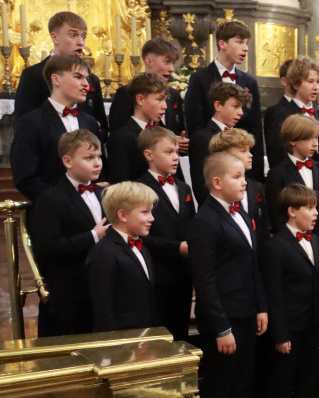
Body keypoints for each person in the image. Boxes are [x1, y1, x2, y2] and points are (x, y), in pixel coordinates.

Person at [188, 151, 274, 398]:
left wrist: (261, 306)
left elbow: (251, 266)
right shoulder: (205, 221)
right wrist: (222, 327)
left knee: (242, 386)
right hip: (223, 322)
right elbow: (205, 281)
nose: (245, 182)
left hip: (246, 314)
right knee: (220, 392)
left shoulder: (240, 213)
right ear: (217, 182)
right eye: (238, 177)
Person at [261, 183, 319, 398]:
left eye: (316, 208)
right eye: (310, 208)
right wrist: (280, 335)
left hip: (313, 323)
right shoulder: (275, 246)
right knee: (282, 382)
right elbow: (274, 294)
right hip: (289, 327)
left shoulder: (315, 240)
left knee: (310, 378)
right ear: (292, 211)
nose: (316, 214)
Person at [29, 130, 107, 337]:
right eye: (88, 158)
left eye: (99, 156)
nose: (97, 163)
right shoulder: (51, 200)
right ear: (67, 161)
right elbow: (48, 247)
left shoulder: (102, 193)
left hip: (100, 286)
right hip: (70, 292)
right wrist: (93, 236)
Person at [12, 55, 103, 201]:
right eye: (78, 77)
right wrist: (64, 200)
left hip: (90, 210)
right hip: (51, 212)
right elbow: (25, 178)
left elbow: (99, 165)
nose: (86, 84)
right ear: (56, 79)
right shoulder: (31, 122)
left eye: (87, 78)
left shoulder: (90, 122)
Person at [136, 126, 197, 342]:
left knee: (180, 331)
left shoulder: (183, 187)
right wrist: (176, 248)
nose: (175, 158)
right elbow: (138, 235)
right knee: (160, 332)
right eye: (168, 152)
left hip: (183, 273)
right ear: (149, 155)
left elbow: (190, 223)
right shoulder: (139, 188)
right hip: (156, 271)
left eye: (177, 153)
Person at [184, 21, 265, 179]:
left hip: (245, 165)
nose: (246, 48)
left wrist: (258, 177)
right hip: (213, 162)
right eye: (239, 42)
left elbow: (255, 129)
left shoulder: (249, 82)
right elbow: (195, 125)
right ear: (222, 44)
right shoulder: (200, 79)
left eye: (247, 43)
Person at [14, 12, 107, 135]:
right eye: (73, 35)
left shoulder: (92, 79)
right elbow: (24, 125)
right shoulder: (33, 75)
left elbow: (102, 125)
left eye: (83, 37)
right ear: (55, 37)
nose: (81, 43)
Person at [86, 182, 157, 332]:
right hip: (123, 338)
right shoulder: (103, 252)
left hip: (146, 333)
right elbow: (103, 308)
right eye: (145, 212)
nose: (152, 218)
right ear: (123, 215)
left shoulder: (142, 248)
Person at [109, 38, 188, 152]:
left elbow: (178, 128)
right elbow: (120, 135)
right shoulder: (126, 93)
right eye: (167, 61)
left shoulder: (174, 94)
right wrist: (164, 141)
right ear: (149, 61)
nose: (171, 69)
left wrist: (181, 142)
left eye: (173, 63)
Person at [265, 114, 319, 237]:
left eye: (317, 138)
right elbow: (277, 217)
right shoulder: (277, 174)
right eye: (310, 138)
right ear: (292, 140)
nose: (316, 144)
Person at [184, 81, 251, 203]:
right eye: (235, 106)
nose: (241, 112)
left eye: (242, 107)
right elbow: (201, 184)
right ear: (218, 105)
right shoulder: (202, 138)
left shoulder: (240, 135)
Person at [263, 55, 319, 168]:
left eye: (318, 82)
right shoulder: (279, 114)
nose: (316, 87)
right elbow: (276, 154)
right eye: (310, 81)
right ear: (296, 84)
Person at [208, 128, 270, 245]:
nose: (250, 155)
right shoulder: (215, 188)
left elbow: (263, 225)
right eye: (243, 151)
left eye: (249, 150)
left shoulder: (255, 186)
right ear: (224, 155)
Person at [105, 73, 169, 184]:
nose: (165, 106)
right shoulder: (122, 138)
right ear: (140, 100)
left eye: (165, 100)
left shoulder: (164, 134)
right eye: (159, 99)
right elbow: (121, 184)